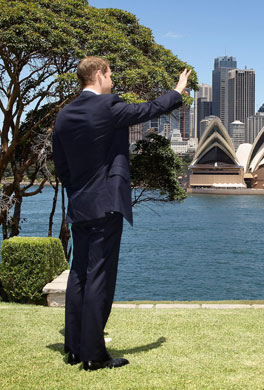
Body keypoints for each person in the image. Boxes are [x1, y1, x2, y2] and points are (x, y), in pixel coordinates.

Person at [52, 56, 191, 371]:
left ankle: (74, 348)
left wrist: (78, 191)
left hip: (80, 205)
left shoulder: (63, 116)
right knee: (100, 276)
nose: (112, 80)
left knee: (79, 274)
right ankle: (93, 355)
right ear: (99, 74)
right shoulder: (107, 107)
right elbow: (148, 109)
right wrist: (178, 91)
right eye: (110, 74)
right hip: (105, 207)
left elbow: (61, 165)